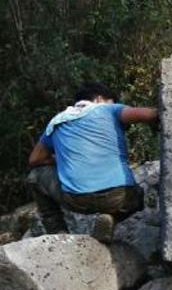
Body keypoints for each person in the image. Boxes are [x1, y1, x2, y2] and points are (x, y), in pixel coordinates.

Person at [27, 81, 159, 241]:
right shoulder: (110, 109)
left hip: (76, 199)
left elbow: (35, 159)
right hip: (119, 198)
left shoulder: (57, 121)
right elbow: (151, 114)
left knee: (35, 176)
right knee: (137, 196)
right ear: (99, 99)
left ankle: (59, 235)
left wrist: (62, 159)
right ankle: (112, 219)